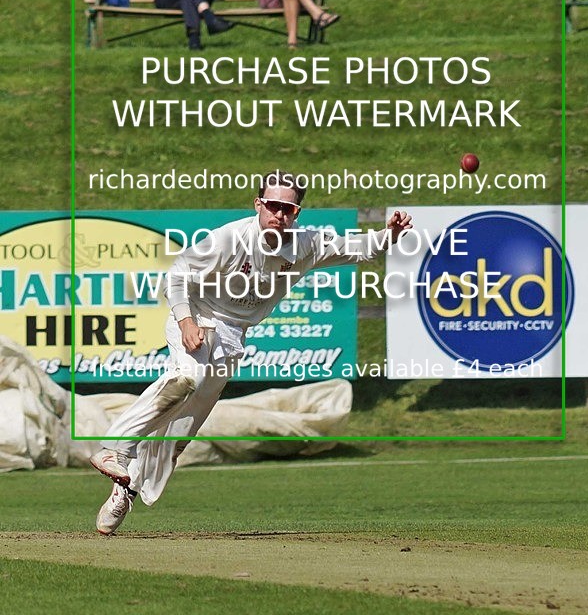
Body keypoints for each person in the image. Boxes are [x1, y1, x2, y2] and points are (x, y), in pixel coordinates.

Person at [89, 170, 412, 535]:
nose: (279, 214)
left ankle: (125, 490)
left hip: (232, 335)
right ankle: (115, 447)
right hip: (196, 314)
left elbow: (357, 248)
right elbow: (177, 275)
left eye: (287, 208)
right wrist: (185, 323)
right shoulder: (230, 238)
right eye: (272, 205)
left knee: (178, 435)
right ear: (258, 205)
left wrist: (391, 235)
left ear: (297, 212)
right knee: (185, 378)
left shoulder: (305, 243)